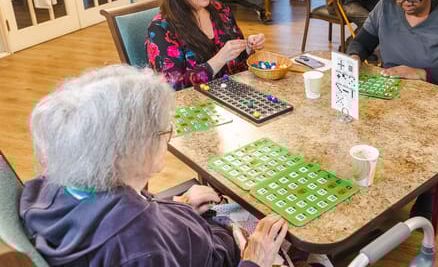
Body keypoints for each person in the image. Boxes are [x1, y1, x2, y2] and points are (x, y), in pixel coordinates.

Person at [20, 65, 287, 267]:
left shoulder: (48, 188)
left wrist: (176, 205)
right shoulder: (141, 248)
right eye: (162, 132)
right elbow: (136, 239)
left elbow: (120, 212)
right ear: (126, 152)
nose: (167, 135)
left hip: (197, 229)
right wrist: (255, 258)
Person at [146, 0, 265, 90]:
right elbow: (173, 88)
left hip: (231, 96)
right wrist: (219, 59)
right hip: (196, 108)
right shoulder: (161, 29)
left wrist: (247, 48)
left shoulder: (221, 11)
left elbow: (238, 68)